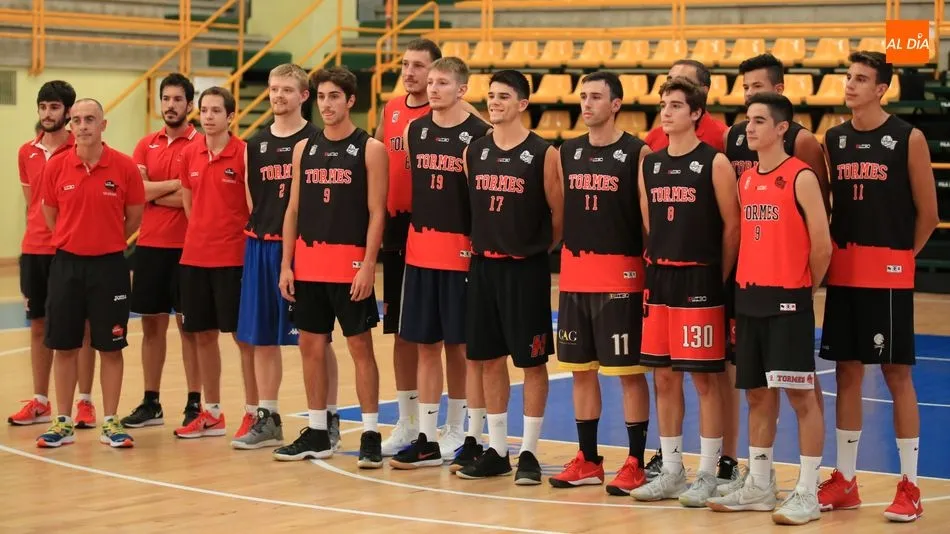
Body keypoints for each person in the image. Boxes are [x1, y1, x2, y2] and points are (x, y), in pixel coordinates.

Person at [816, 51, 938, 523]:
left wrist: (899, 259)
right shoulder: (834, 138)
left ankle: (910, 484)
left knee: (895, 374)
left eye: (861, 79)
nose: (850, 85)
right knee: (847, 372)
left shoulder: (908, 138)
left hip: (886, 272)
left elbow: (928, 214)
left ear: (881, 88)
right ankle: (845, 479)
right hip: (844, 273)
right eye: (848, 77)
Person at [706, 92, 830, 525]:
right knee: (757, 394)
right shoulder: (745, 181)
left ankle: (808, 490)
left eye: (759, 121)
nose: (749, 128)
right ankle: (759, 484)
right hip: (750, 298)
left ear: (781, 129)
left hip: (787, 299)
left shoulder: (801, 177)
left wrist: (802, 290)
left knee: (800, 396)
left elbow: (822, 246)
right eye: (747, 121)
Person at [631, 77, 739, 507]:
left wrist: (719, 276)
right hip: (660, 279)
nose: (667, 111)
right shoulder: (650, 163)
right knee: (663, 376)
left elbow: (732, 226)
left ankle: (709, 473)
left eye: (676, 105)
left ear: (696, 113)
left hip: (701, 279)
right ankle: (673, 470)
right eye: (664, 104)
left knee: (706, 381)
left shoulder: (714, 162)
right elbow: (649, 222)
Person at [376, 39, 485, 456]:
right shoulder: (400, 119)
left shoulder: (473, 129)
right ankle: (413, 425)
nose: (414, 75)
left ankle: (457, 426)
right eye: (407, 66)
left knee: (456, 340)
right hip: (406, 235)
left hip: (455, 242)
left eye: (424, 69)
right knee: (411, 334)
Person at [546, 71, 652, 495]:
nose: (586, 104)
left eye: (595, 97)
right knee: (580, 372)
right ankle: (588, 459)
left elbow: (648, 219)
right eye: (583, 96)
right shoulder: (566, 152)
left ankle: (635, 462)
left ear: (616, 104)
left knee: (628, 374)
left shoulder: (637, 152)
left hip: (621, 279)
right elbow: (557, 212)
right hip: (575, 277)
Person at [455, 69, 563, 486]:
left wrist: (534, 247)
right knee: (486, 359)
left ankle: (531, 452)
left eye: (503, 96)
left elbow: (559, 214)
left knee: (532, 362)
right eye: (491, 95)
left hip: (525, 268)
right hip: (483, 266)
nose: (494, 102)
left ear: (522, 104)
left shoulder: (543, 152)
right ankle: (498, 450)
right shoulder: (475, 152)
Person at [276, 66, 387, 468]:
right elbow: (292, 211)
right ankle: (319, 430)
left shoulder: (370, 148)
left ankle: (372, 432)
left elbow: (377, 213)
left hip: (349, 265)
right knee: (311, 346)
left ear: (350, 100)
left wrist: (367, 265)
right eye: (321, 97)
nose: (326, 104)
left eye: (333, 97)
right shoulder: (305, 148)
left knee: (360, 348)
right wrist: (286, 265)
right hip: (308, 264)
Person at [232, 63, 342, 451]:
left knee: (317, 340)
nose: (278, 96)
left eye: (286, 90)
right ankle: (268, 416)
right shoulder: (255, 144)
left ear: (303, 96)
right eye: (273, 89)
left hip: (304, 249)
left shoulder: (316, 140)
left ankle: (327, 417)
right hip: (261, 245)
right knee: (262, 338)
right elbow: (252, 199)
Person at [37, 98, 144, 448]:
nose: (82, 126)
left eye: (90, 120)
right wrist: (73, 239)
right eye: (77, 120)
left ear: (103, 125)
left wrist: (105, 241)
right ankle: (63, 422)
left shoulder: (125, 167)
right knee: (64, 346)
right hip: (66, 265)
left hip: (110, 267)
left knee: (110, 347)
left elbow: (134, 216)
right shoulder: (56, 167)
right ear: (71, 125)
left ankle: (111, 422)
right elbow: (50, 214)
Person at [10, 81, 98, 429]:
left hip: (71, 251)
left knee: (84, 329)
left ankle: (86, 402)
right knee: (38, 327)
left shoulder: (83, 149)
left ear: (68, 112)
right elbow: (35, 203)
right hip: (34, 250)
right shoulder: (26, 152)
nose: (48, 114)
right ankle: (41, 401)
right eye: (43, 107)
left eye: (55, 108)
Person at [174, 86, 256, 440]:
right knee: (202, 335)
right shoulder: (189, 153)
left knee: (243, 338)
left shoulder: (244, 154)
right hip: (194, 257)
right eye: (204, 110)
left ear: (230, 116)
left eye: (215, 111)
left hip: (233, 259)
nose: (207, 116)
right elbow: (189, 203)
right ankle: (213, 412)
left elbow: (253, 207)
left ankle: (254, 411)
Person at [122, 73, 202, 430]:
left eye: (177, 99)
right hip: (150, 246)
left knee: (191, 329)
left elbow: (197, 197)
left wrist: (158, 191)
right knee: (151, 327)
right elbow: (138, 192)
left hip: (190, 249)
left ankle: (195, 403)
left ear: (190, 104)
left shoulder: (200, 144)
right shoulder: (145, 145)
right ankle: (151, 402)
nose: (170, 105)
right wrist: (178, 186)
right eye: (166, 99)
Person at [643, 60, 727, 153]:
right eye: (669, 80)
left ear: (704, 91)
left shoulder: (723, 136)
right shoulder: (654, 137)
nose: (673, 85)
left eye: (683, 81)